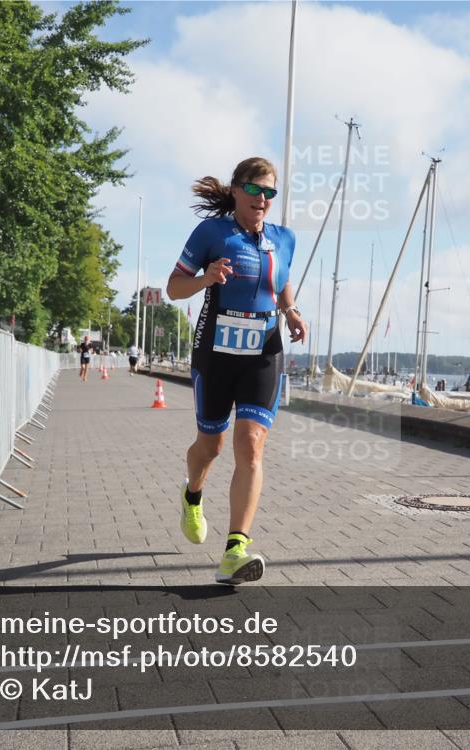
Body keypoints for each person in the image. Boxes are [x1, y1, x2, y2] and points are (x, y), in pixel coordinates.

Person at [167, 156, 306, 585]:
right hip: (216, 352)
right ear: (235, 190)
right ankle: (193, 494)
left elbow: (281, 281)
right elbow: (174, 288)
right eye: (254, 190)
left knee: (250, 444)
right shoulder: (212, 233)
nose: (262, 199)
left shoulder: (284, 238)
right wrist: (206, 278)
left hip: (265, 352)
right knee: (210, 446)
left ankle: (235, 550)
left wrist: (291, 310)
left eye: (270, 193)